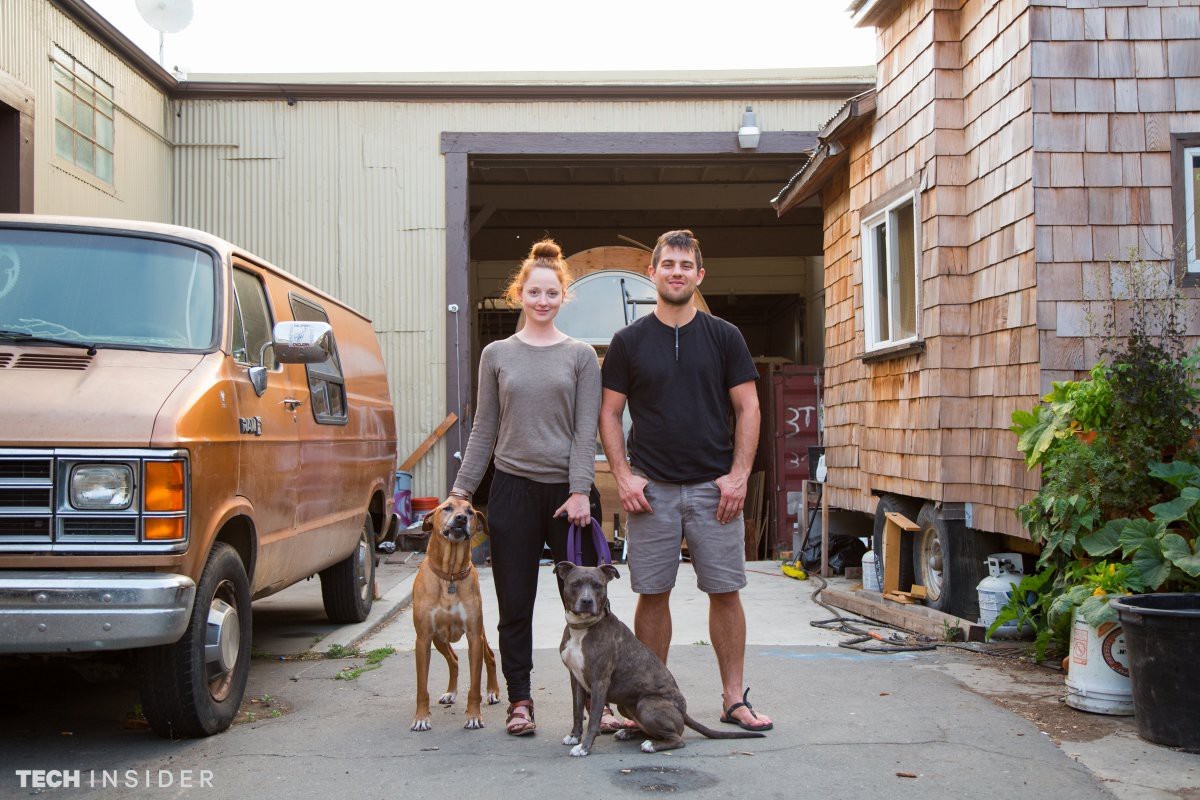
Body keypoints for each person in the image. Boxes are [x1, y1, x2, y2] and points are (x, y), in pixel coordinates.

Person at [598, 229, 773, 732]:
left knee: (725, 590)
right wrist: (625, 477)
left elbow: (749, 407)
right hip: (650, 492)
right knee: (652, 594)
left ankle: (733, 699)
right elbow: (610, 415)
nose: (676, 272)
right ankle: (652, 700)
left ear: (699, 275)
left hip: (713, 490)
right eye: (667, 264)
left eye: (685, 265)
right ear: (652, 273)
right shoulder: (629, 342)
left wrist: (739, 477)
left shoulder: (725, 337)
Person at [449, 239, 612, 736]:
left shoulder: (582, 355)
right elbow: (483, 430)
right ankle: (521, 698)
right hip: (513, 492)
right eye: (534, 292)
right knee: (514, 602)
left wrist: (582, 489)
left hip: (570, 496)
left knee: (589, 603)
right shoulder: (497, 355)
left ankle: (599, 700)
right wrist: (461, 490)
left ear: (564, 296)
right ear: (519, 294)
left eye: (552, 292)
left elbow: (587, 429)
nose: (543, 300)